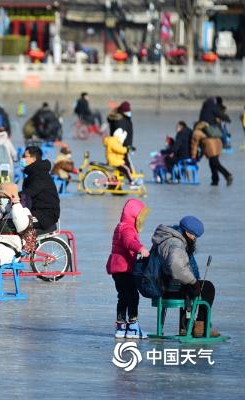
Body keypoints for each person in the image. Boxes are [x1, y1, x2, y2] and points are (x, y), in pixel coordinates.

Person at [152, 216, 221, 337]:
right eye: (194, 236)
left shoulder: (167, 238)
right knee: (207, 287)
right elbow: (176, 267)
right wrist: (194, 282)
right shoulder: (176, 243)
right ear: (187, 232)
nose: (194, 239)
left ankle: (185, 327)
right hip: (168, 288)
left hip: (161, 285)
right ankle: (201, 326)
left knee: (187, 285)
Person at [106, 199, 150, 339]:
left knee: (123, 297)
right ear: (133, 216)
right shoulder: (126, 228)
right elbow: (129, 242)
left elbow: (131, 240)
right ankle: (132, 326)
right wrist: (140, 248)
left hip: (118, 268)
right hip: (123, 268)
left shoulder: (122, 226)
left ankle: (121, 326)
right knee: (132, 296)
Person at [0, 183, 31, 297]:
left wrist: (16, 205)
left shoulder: (23, 210)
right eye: (0, 198)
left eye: (4, 198)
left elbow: (22, 226)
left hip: (11, 249)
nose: (2, 200)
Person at [19, 146, 60, 232]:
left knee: (20, 222)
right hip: (37, 211)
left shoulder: (40, 175)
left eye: (24, 156)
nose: (22, 159)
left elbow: (29, 193)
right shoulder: (33, 173)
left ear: (33, 159)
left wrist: (13, 195)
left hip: (46, 215)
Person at [191, 121, 233, 186]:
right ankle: (215, 180)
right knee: (212, 163)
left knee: (216, 164)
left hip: (211, 147)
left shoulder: (196, 132)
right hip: (218, 144)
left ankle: (227, 175)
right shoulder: (208, 127)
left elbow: (194, 145)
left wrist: (193, 156)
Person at [108, 101, 134, 169]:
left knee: (122, 164)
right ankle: (130, 178)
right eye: (128, 111)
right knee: (126, 165)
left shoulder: (122, 118)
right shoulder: (120, 120)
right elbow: (119, 135)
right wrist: (127, 147)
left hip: (123, 145)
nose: (129, 112)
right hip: (122, 145)